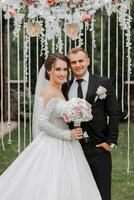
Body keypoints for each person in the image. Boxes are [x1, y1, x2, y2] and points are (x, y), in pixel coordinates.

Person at [0, 53, 102, 200]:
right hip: (54, 144)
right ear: (49, 71)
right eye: (58, 69)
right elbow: (42, 123)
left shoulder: (59, 90)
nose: (62, 73)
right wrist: (68, 134)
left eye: (65, 69)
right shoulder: (49, 91)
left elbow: (57, 115)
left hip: (67, 144)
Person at [62, 47, 121, 200]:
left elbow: (114, 113)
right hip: (74, 148)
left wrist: (111, 141)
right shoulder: (65, 87)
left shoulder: (103, 83)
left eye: (81, 60)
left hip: (99, 147)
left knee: (102, 193)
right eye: (73, 62)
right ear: (70, 65)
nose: (77, 65)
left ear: (87, 61)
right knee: (77, 193)